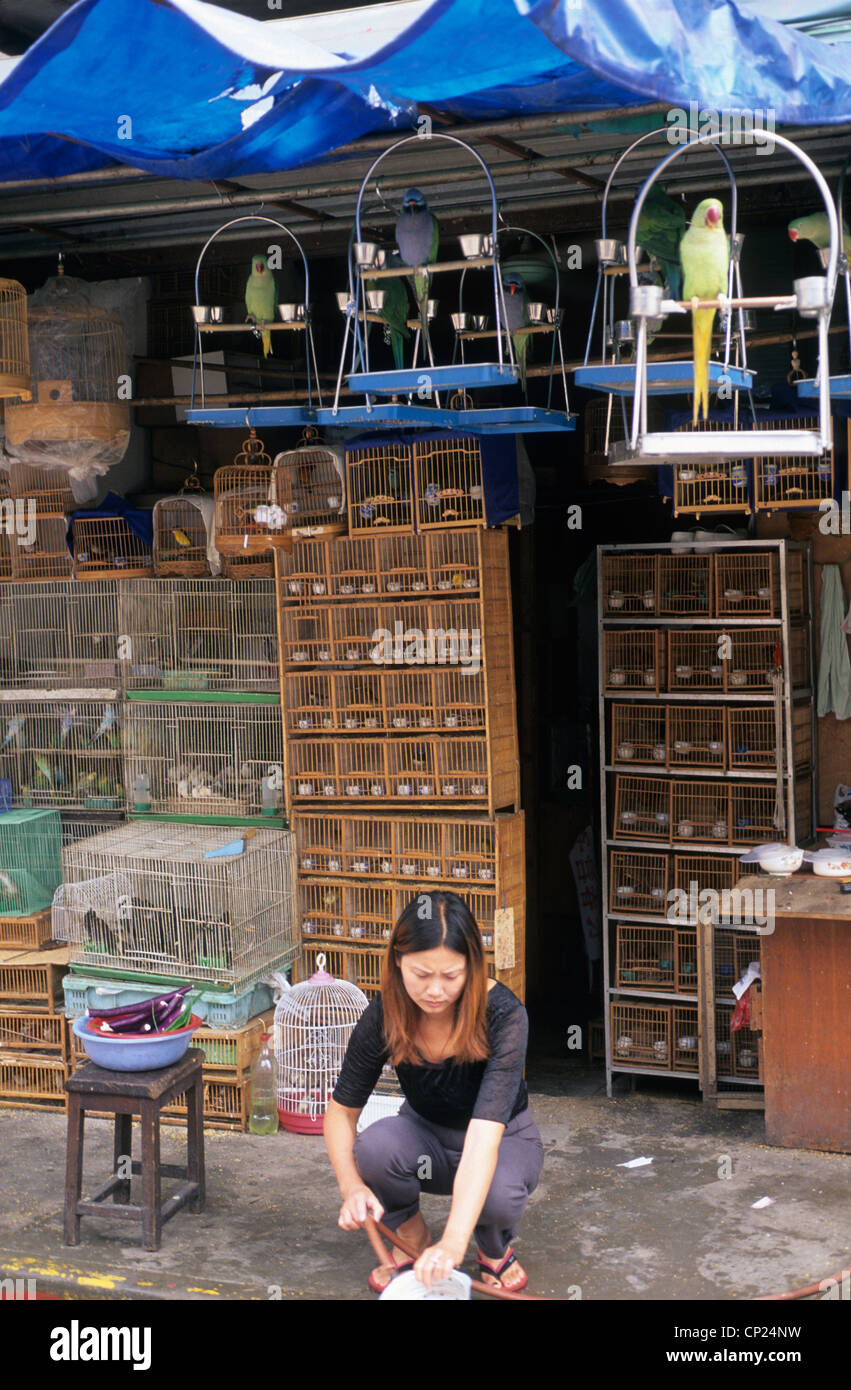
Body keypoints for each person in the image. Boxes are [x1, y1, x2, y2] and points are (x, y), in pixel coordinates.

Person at [324, 890, 544, 1293]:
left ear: (473, 967)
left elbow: (483, 1140)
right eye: (422, 975)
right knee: (374, 1147)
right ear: (397, 960)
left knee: (498, 1195)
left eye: (451, 976)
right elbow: (341, 1111)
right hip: (424, 1135)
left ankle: (492, 1246)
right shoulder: (385, 1013)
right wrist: (351, 1187)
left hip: (501, 1140)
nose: (435, 991)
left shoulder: (504, 1015)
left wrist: (454, 1242)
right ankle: (411, 1231)